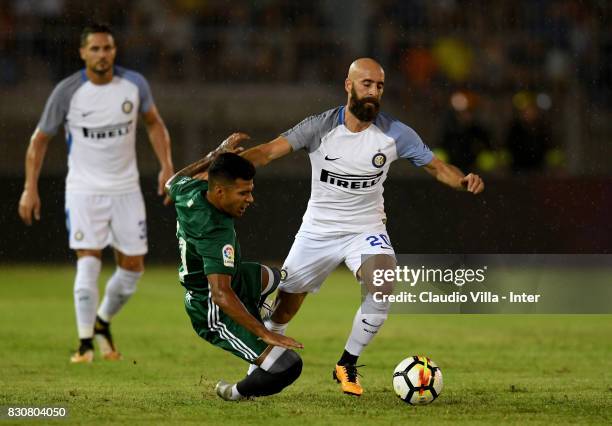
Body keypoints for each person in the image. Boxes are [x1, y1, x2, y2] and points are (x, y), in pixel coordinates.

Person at [240, 58, 485, 396]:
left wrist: (462, 181)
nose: (373, 92)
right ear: (349, 85)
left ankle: (347, 363)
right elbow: (267, 153)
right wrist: (225, 165)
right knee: (284, 309)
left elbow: (437, 167)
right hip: (318, 230)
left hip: (365, 229)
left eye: (379, 86)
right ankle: (258, 374)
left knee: (383, 284)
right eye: (366, 84)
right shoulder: (319, 126)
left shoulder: (395, 133)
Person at [17, 23, 174, 363]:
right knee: (88, 260)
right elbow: (38, 141)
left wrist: (166, 165)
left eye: (108, 48)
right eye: (96, 49)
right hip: (84, 190)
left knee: (133, 268)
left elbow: (154, 123)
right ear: (83, 52)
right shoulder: (68, 91)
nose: (102, 55)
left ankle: (102, 322)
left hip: (126, 189)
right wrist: (30, 188)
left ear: (114, 51)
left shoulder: (133, 84)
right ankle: (84, 343)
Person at [165, 142, 303, 401]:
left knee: (283, 277)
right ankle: (234, 392)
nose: (250, 199)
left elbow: (172, 182)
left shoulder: (191, 191)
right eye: (243, 193)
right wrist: (264, 333)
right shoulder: (215, 233)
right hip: (212, 307)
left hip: (235, 277)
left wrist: (211, 156)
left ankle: (256, 307)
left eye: (250, 191)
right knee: (287, 367)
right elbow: (220, 294)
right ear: (219, 191)